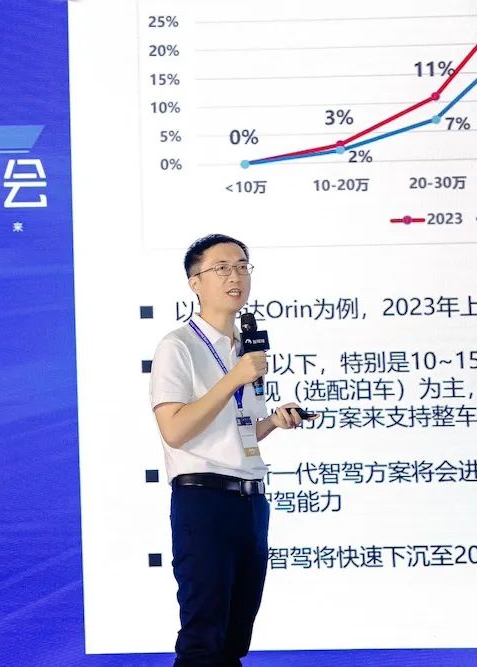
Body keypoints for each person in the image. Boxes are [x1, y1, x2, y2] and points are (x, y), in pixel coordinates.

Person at [149, 234, 315, 666]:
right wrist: (234, 378)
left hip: (251, 502)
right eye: (221, 268)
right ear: (195, 283)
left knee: (234, 641)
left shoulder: (245, 350)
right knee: (204, 640)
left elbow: (236, 430)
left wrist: (273, 422)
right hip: (204, 500)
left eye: (242, 266)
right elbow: (175, 429)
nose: (235, 276)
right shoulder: (178, 346)